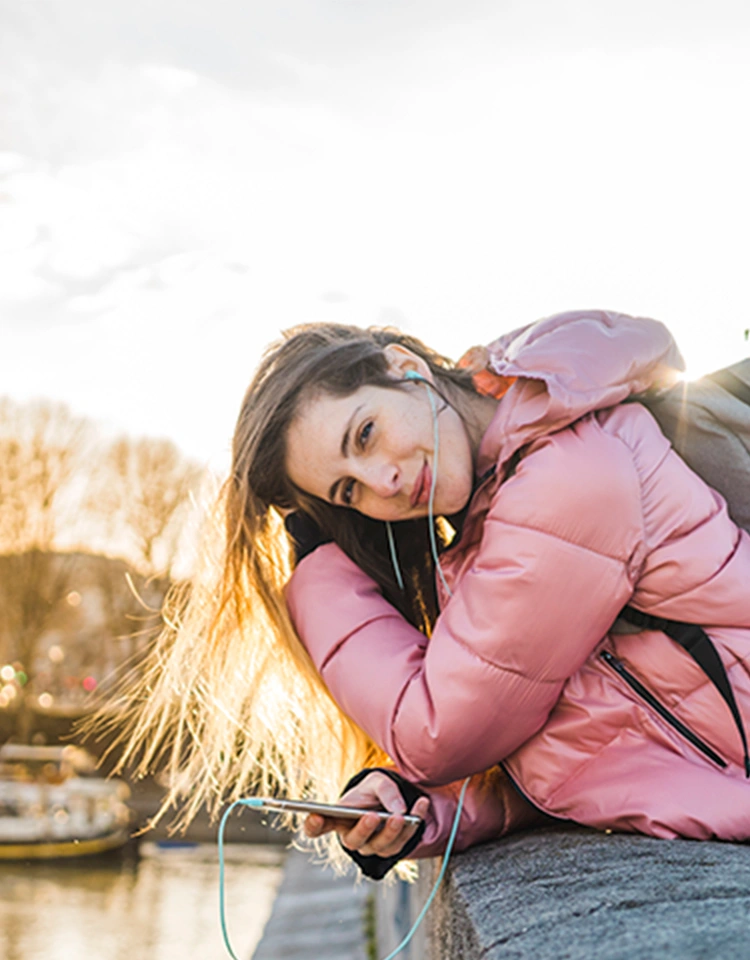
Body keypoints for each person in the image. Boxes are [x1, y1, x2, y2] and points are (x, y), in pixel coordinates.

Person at [113, 309, 750, 880]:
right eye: (348, 492)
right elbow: (588, 743)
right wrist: (415, 806)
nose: (382, 482)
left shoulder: (568, 473)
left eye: (363, 435)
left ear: (406, 368)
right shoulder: (489, 526)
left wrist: (320, 580)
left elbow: (443, 733)